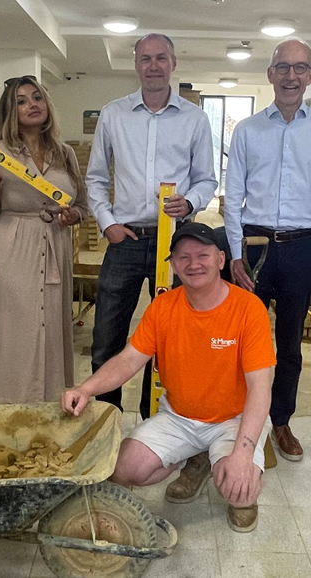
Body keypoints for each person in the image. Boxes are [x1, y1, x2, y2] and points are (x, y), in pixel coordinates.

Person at [61, 223, 274, 533]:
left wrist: (242, 454)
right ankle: (195, 457)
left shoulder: (247, 309)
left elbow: (260, 387)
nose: (193, 264)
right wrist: (85, 388)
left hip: (233, 419)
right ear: (173, 264)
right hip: (180, 418)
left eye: (202, 255)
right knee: (123, 468)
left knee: (238, 487)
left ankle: (228, 473)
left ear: (220, 259)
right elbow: (128, 360)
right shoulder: (163, 307)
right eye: (183, 257)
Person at [85, 33, 218, 414]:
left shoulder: (194, 119)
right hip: (124, 239)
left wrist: (190, 201)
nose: (154, 66)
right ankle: (105, 420)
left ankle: (156, 420)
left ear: (173, 63)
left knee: (171, 337)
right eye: (146, 59)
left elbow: (207, 178)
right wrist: (107, 222)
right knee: (107, 337)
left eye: (161, 58)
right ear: (136, 64)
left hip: (174, 244)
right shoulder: (113, 114)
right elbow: (95, 177)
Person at [222, 38, 311, 462]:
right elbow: (231, 197)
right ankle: (236, 419)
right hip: (253, 247)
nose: (291, 76)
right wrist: (235, 254)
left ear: (310, 76)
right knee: (241, 339)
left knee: (289, 343)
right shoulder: (249, 130)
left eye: (300, 68)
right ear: (270, 74)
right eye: (283, 68)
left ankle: (281, 421)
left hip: (300, 249)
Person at [0, 76, 89, 403]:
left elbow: (81, 204)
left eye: (37, 97)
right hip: (11, 249)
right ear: (10, 110)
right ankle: (7, 405)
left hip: (54, 245)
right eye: (21, 100)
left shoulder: (64, 154)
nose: (32, 105)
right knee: (12, 331)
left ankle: (51, 402)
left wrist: (72, 216)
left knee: (51, 328)